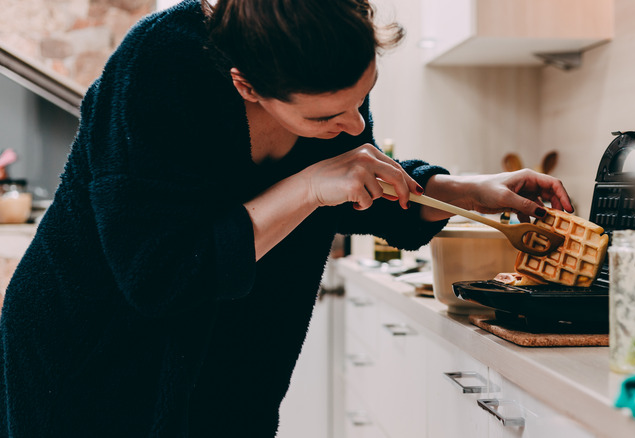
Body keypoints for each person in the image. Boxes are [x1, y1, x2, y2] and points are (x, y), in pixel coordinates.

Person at [0, 0, 573, 436]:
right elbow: (160, 273)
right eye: (327, 115)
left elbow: (352, 177)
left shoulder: (323, 43)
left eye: (362, 97)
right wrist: (305, 188)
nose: (353, 126)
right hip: (91, 351)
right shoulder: (159, 68)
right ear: (245, 85)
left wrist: (462, 190)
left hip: (233, 354)